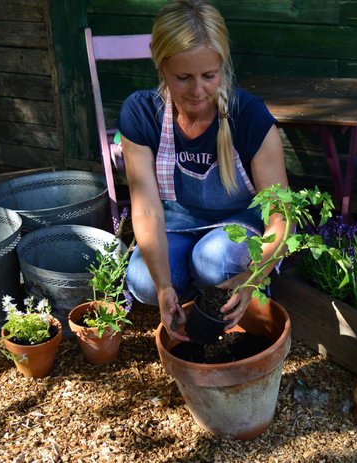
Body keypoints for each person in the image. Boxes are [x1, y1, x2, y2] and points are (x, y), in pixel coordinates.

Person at [117, 0, 288, 341]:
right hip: (176, 224)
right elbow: (147, 209)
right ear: (159, 63)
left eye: (209, 76)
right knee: (141, 279)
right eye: (183, 78)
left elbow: (281, 217)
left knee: (213, 260)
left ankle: (232, 300)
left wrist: (249, 278)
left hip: (237, 229)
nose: (198, 91)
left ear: (222, 65)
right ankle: (193, 306)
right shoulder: (141, 113)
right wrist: (165, 287)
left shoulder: (249, 116)